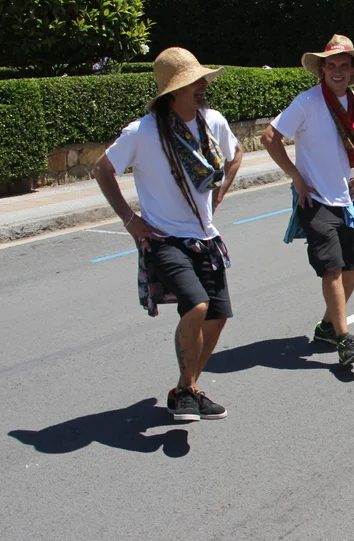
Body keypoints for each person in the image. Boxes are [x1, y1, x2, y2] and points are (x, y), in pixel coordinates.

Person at [92, 47, 243, 421]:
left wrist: (219, 194)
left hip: (206, 237)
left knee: (218, 317)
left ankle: (185, 389)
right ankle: (188, 392)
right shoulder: (142, 132)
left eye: (202, 79)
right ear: (173, 91)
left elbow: (236, 154)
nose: (202, 86)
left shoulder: (213, 122)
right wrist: (130, 219)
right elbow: (102, 169)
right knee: (197, 305)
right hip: (164, 239)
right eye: (194, 82)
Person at [261, 35, 354, 366]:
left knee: (353, 267)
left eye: (344, 65)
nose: (337, 71)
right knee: (331, 268)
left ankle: (329, 327)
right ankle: (345, 339)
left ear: (352, 70)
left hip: (347, 200)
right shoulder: (307, 102)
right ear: (323, 69)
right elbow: (270, 137)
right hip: (314, 199)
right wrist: (296, 177)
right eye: (331, 65)